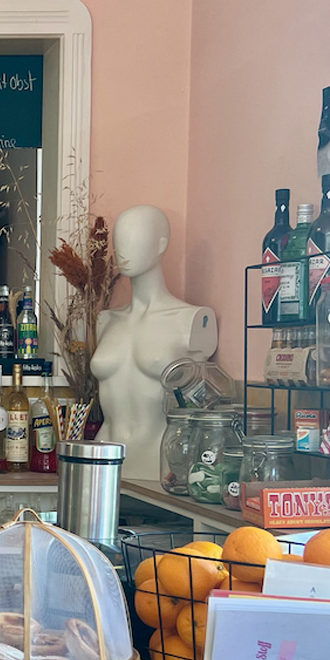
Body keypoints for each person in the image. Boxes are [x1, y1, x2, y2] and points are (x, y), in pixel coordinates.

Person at [89, 205, 217, 480]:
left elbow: (201, 405)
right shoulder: (106, 320)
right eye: (119, 240)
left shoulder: (191, 319)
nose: (124, 249)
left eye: (135, 238)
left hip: (156, 465)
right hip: (103, 464)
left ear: (161, 244)